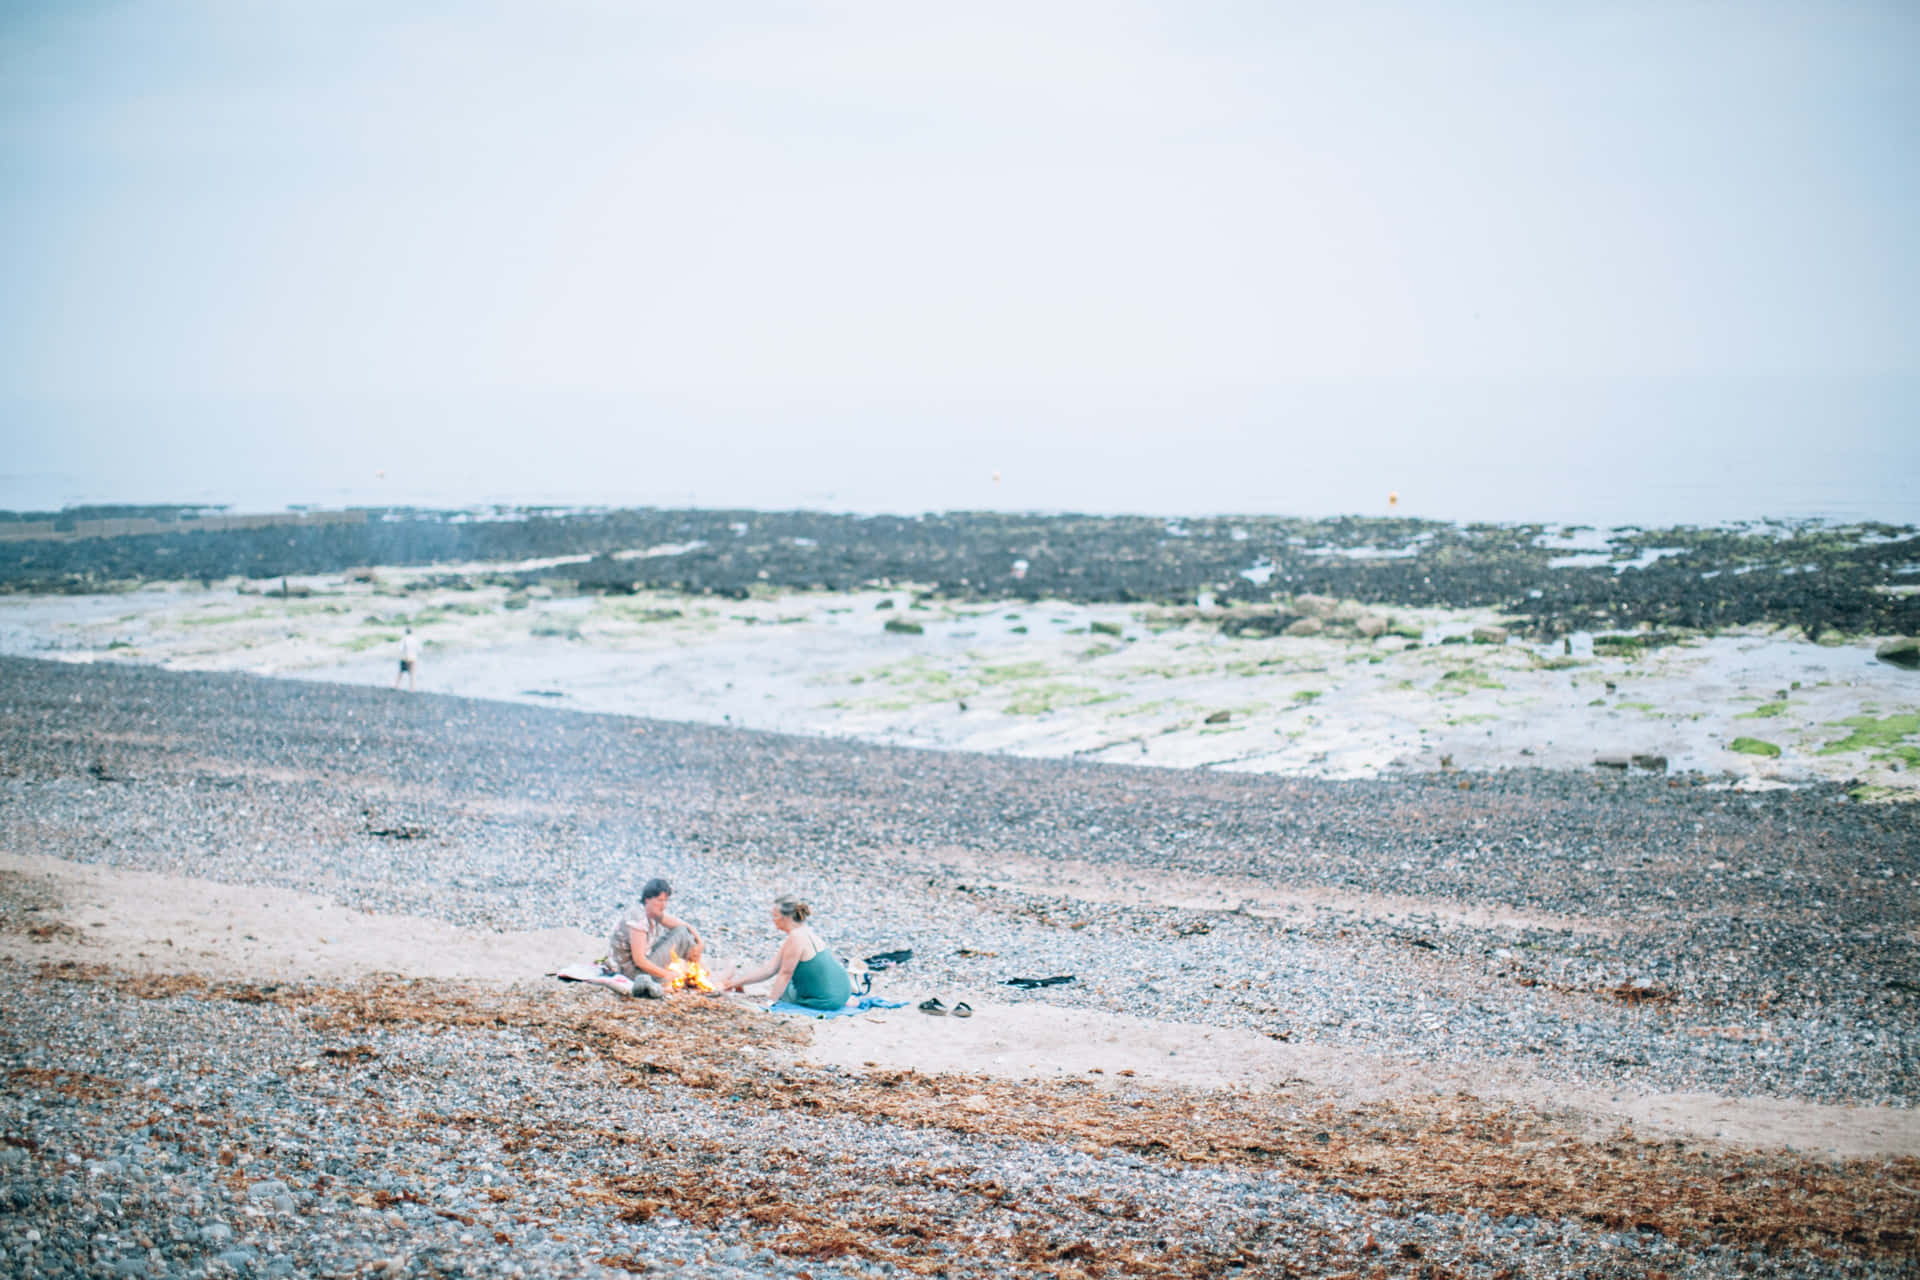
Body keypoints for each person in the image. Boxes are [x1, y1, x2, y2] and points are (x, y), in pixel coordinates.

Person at [720, 895, 852, 1011]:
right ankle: (845, 999)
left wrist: (770, 1001)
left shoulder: (795, 938)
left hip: (825, 1000)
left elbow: (785, 974)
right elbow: (770, 969)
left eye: (775, 915)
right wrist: (737, 982)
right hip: (844, 990)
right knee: (784, 985)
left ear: (786, 918)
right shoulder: (805, 931)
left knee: (785, 989)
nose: (773, 920)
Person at [609, 878, 704, 999]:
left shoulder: (653, 913)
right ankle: (698, 977)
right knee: (681, 935)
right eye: (659, 900)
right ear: (647, 899)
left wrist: (699, 942)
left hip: (644, 962)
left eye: (665, 901)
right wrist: (668, 974)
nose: (663, 905)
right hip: (632, 972)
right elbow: (639, 960)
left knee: (683, 933)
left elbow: (683, 925)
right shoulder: (638, 917)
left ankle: (700, 974)